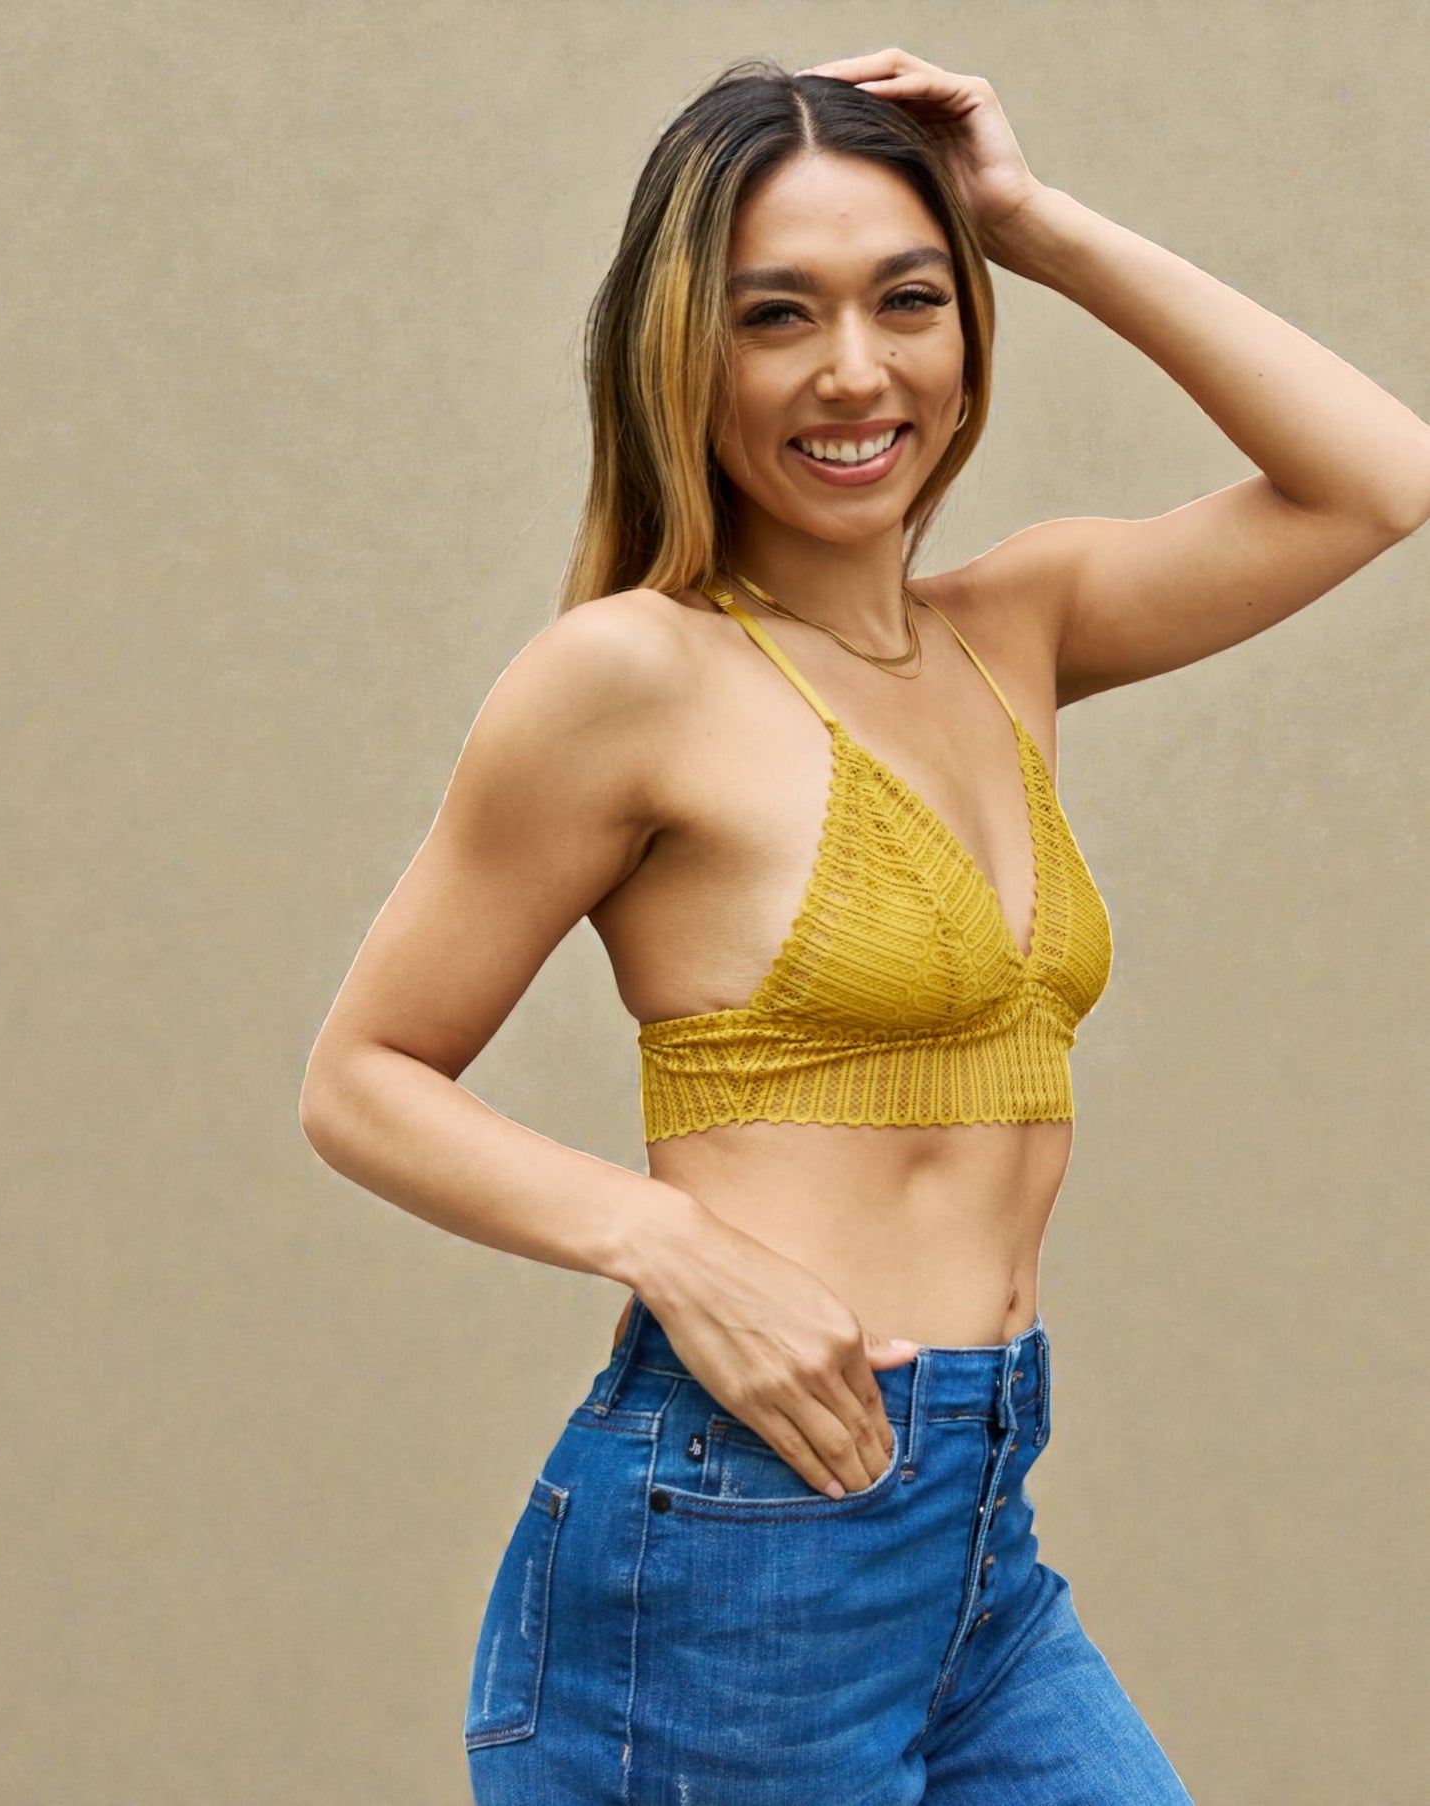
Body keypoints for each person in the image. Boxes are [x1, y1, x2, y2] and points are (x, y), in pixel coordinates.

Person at [298, 47, 1430, 1805]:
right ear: (684, 353)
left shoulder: (1019, 626)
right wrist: (669, 1245)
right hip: (741, 1542)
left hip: (974, 1540)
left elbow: (1378, 478)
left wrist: (1029, 222)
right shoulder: (628, 675)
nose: (853, 369)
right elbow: (362, 1076)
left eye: (908, 300)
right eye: (776, 315)